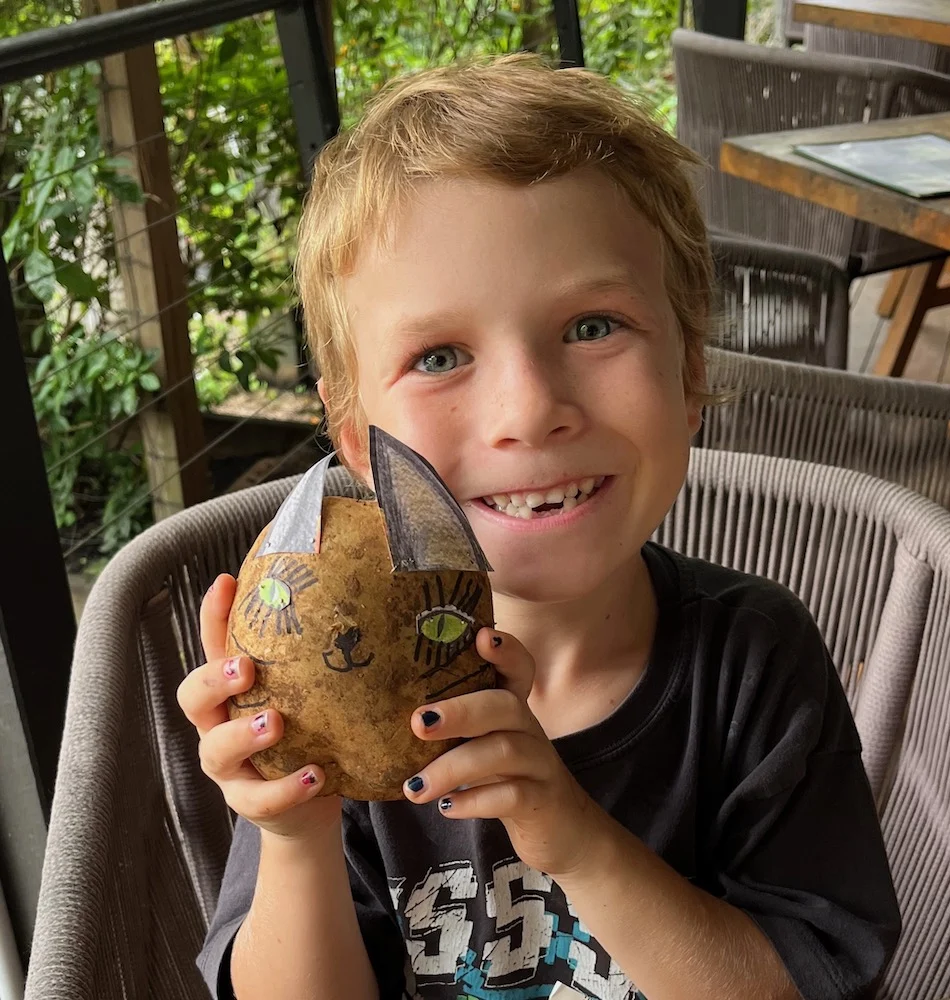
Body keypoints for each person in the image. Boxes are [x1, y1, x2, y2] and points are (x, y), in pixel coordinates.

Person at [180, 53, 900, 1000]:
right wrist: (295, 832)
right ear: (359, 444)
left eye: (593, 327)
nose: (528, 409)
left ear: (690, 379)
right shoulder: (344, 679)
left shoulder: (755, 660)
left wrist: (576, 843)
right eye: (440, 354)